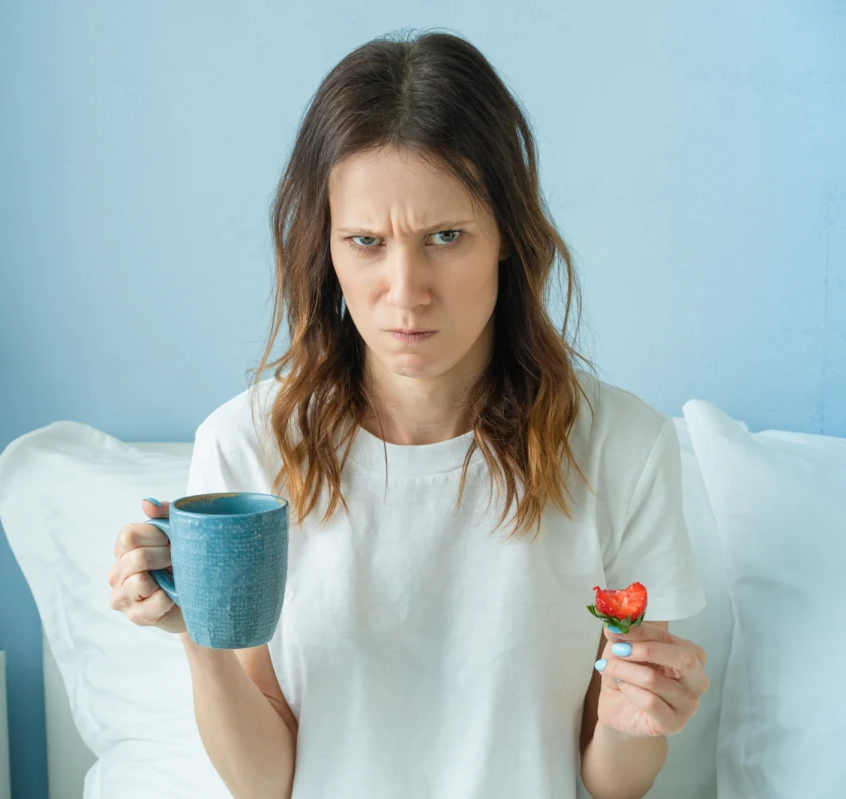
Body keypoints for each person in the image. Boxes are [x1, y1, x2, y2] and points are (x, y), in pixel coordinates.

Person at [107, 30, 709, 799]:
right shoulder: (246, 444)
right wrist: (198, 633)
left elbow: (613, 782)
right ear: (327, 251)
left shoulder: (624, 445)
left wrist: (639, 713)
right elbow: (267, 783)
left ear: (507, 240)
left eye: (445, 237)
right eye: (365, 242)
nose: (405, 290)